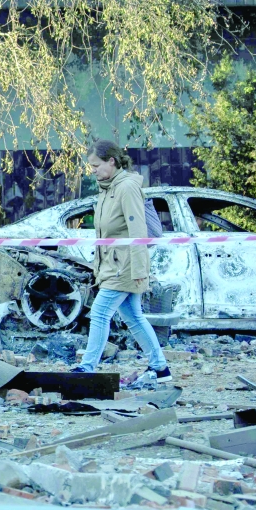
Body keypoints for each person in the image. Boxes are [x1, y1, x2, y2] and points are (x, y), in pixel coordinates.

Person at [71, 140, 171, 385]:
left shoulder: (125, 188)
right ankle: (160, 368)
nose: (92, 170)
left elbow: (138, 230)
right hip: (114, 263)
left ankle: (87, 367)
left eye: (96, 165)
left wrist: (138, 268)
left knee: (100, 312)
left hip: (124, 265)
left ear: (111, 161)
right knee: (134, 317)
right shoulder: (107, 189)